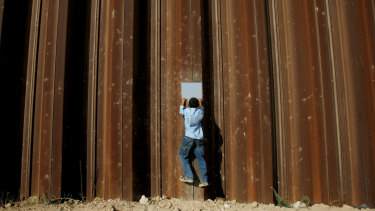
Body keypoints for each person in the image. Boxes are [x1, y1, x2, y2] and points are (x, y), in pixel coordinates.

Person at [178, 97, 208, 188]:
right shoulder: (200, 112)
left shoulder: (186, 111)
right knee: (201, 159)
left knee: (183, 155)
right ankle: (204, 180)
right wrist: (200, 102)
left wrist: (183, 102)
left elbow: (181, 111)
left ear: (189, 105)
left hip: (189, 138)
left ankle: (189, 176)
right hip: (199, 138)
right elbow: (202, 108)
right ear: (198, 105)